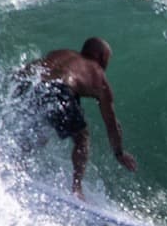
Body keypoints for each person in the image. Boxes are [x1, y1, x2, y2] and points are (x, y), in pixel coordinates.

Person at [14, 37, 137, 197]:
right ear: (98, 55)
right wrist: (119, 153)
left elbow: (33, 68)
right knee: (82, 138)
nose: (107, 63)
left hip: (34, 86)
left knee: (42, 129)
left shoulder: (61, 54)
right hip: (59, 90)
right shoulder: (97, 74)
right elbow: (111, 121)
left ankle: (18, 164)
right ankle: (77, 188)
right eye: (107, 58)